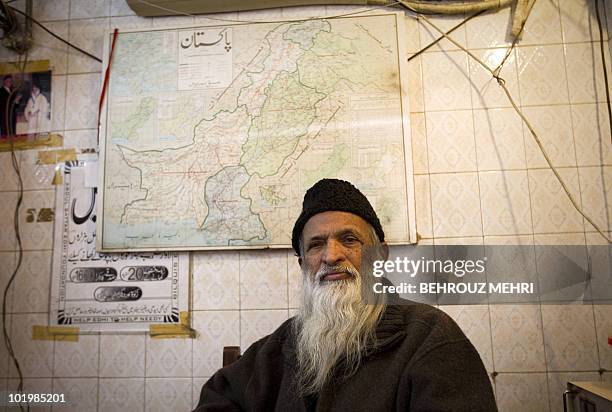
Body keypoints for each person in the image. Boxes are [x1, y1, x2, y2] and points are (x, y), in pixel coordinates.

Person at [195, 178, 497, 411]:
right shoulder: (278, 346)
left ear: (380, 255)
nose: (331, 255)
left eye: (348, 239)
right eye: (316, 244)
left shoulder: (430, 336)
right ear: (304, 265)